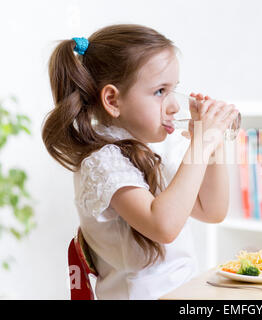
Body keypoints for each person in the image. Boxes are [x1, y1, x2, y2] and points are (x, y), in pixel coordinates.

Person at [42, 24, 239, 299]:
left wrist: (212, 149)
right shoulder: (103, 161)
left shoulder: (146, 153)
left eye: (174, 90)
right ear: (112, 100)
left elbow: (212, 211)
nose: (173, 105)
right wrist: (201, 143)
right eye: (160, 91)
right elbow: (163, 226)